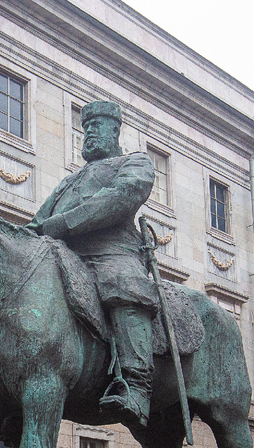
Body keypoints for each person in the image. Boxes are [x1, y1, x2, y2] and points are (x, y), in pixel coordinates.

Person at [27, 100, 157, 426]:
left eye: (96, 127)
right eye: (85, 128)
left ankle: (136, 385)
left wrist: (63, 224)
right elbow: (37, 223)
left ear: (115, 129)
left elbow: (120, 198)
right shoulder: (68, 183)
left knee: (124, 283)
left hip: (115, 253)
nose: (88, 134)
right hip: (68, 259)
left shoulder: (134, 163)